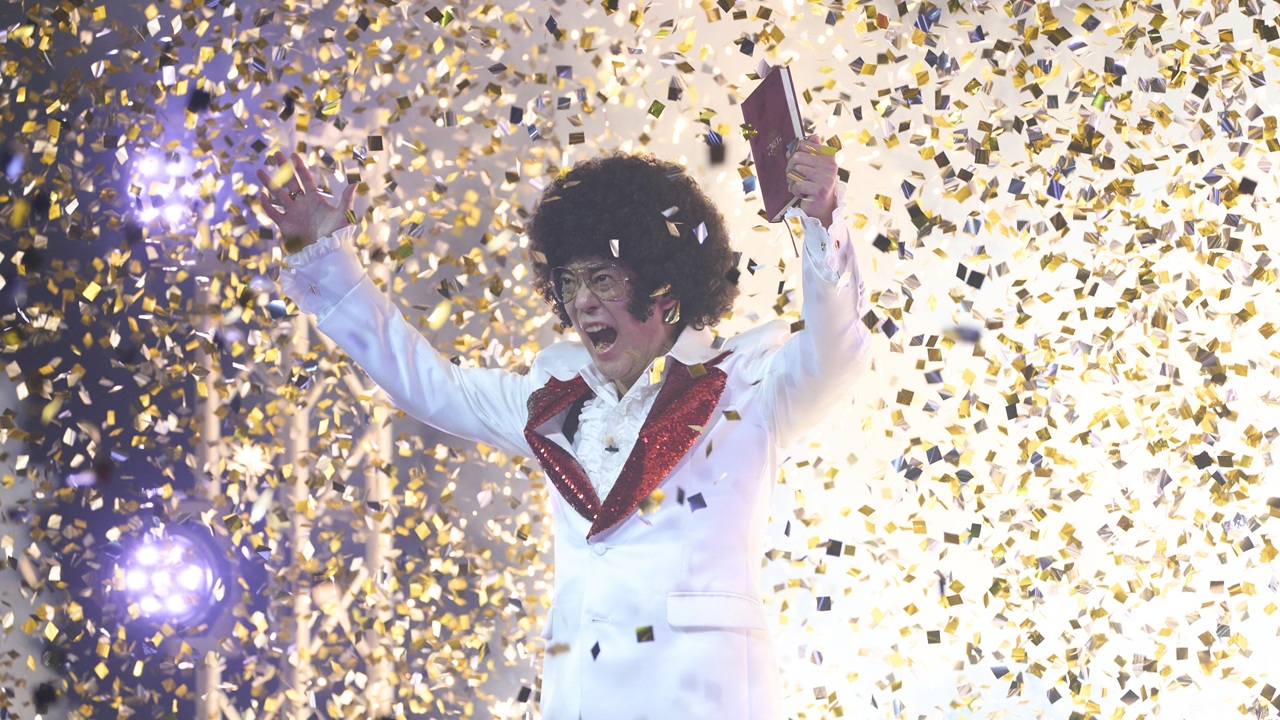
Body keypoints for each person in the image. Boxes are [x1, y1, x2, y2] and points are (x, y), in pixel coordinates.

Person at [257, 135, 869, 719]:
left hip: (701, 700)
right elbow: (429, 384)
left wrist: (823, 221)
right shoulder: (551, 398)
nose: (581, 302)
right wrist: (329, 260)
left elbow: (837, 348)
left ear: (664, 290)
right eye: (569, 282)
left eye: (602, 278)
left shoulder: (750, 384)